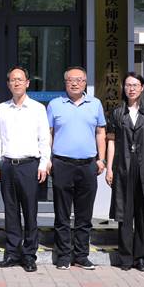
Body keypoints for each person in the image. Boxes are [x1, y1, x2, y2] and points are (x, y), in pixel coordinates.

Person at [46, 66, 106, 271]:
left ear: (85, 82)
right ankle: (63, 255)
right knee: (62, 214)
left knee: (84, 215)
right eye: (71, 80)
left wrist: (101, 159)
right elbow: (49, 133)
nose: (75, 83)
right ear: (65, 83)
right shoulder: (55, 104)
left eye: (79, 80)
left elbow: (100, 132)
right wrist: (48, 159)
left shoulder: (95, 104)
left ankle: (81, 255)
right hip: (62, 164)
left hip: (88, 165)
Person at [0, 66, 51, 273]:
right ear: (8, 84)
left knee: (30, 211)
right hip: (7, 165)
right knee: (10, 211)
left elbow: (44, 138)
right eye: (12, 80)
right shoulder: (1, 109)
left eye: (20, 79)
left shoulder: (37, 109)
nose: (16, 83)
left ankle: (29, 255)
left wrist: (44, 163)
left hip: (29, 165)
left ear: (27, 83)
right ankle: (12, 253)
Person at [106, 72, 144, 272]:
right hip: (123, 167)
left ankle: (142, 257)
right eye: (128, 85)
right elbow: (111, 141)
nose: (131, 89)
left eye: (135, 85)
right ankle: (126, 258)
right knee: (125, 213)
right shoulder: (117, 112)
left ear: (142, 87)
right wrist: (109, 168)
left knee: (143, 213)